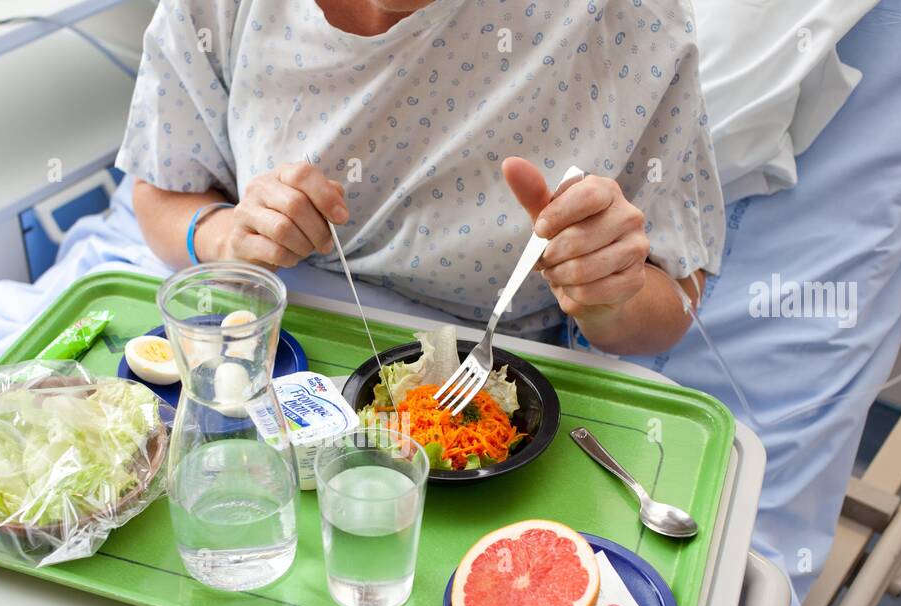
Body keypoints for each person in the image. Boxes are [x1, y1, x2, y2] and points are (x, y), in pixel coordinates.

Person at [118, 0, 724, 354]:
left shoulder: (624, 21)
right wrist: (226, 239)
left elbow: (678, 292)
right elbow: (162, 189)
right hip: (262, 339)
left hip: (495, 375)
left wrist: (610, 297)